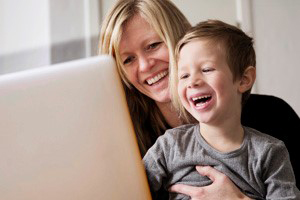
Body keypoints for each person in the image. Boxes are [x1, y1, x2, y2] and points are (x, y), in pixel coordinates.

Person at [98, 0, 257, 199]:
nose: (145, 66)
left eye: (153, 46)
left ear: (182, 39)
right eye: (128, 59)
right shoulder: (129, 146)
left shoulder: (273, 119)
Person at [143, 20, 300, 200]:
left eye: (206, 69)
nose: (192, 81)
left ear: (244, 79)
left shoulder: (270, 153)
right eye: (184, 75)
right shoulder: (170, 145)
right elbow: (130, 190)